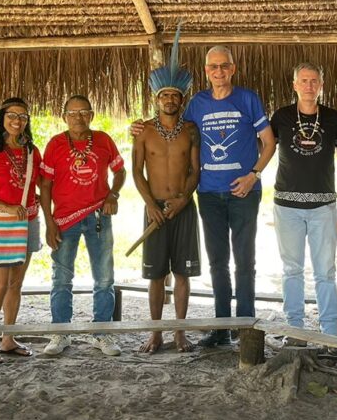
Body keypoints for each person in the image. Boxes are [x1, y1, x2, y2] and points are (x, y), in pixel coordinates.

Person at [186, 46, 276, 347]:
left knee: (244, 260)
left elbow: (269, 142)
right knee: (217, 262)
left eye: (224, 66)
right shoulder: (197, 104)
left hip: (244, 193)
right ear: (206, 70)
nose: (219, 71)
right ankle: (222, 327)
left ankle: (245, 325)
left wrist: (253, 175)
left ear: (233, 69)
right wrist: (144, 126)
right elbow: (178, 134)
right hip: (209, 193)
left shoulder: (248, 99)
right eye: (213, 66)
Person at [40, 95, 126, 357]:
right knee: (61, 278)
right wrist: (49, 222)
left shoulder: (103, 140)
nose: (78, 117)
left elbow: (120, 171)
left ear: (92, 115)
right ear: (64, 116)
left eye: (83, 112)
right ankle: (61, 332)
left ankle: (102, 333)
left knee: (104, 277)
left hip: (99, 216)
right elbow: (45, 186)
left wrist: (113, 194)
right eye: (72, 113)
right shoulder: (55, 144)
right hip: (64, 220)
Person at [270, 63, 337, 341]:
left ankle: (330, 335)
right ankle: (295, 331)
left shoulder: (332, 117)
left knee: (325, 272)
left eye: (314, 81)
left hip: (323, 207)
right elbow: (264, 147)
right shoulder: (281, 116)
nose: (308, 86)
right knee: (292, 270)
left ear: (321, 85)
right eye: (303, 81)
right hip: (287, 206)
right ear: (294, 85)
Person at [132, 32, 201, 354]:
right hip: (155, 209)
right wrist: (151, 205)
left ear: (182, 100)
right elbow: (136, 171)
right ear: (156, 99)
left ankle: (180, 333)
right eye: (165, 96)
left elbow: (196, 170)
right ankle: (156, 333)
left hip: (184, 207)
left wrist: (183, 199)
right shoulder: (144, 131)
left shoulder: (190, 130)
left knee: (183, 273)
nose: (170, 100)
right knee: (156, 275)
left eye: (175, 95)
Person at [0, 97, 45, 364]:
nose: (17, 121)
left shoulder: (32, 151)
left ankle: (8, 338)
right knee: (0, 284)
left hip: (29, 221)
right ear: (2, 118)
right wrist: (8, 208)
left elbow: (41, 185)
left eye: (23, 116)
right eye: (12, 115)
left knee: (16, 284)